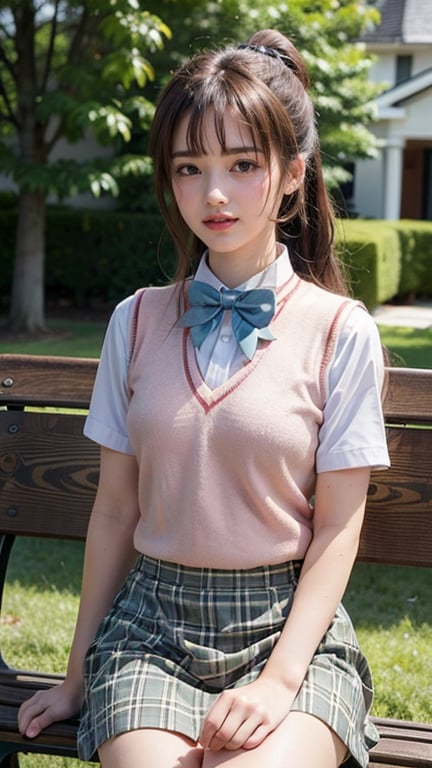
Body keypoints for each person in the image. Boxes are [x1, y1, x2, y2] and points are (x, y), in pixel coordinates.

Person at [18, 28, 390, 768]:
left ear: (291, 174)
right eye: (189, 168)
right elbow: (116, 509)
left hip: (290, 635)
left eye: (243, 164)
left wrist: (281, 681)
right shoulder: (136, 319)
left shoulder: (340, 332)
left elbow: (338, 529)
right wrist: (73, 677)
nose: (213, 193)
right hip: (150, 630)